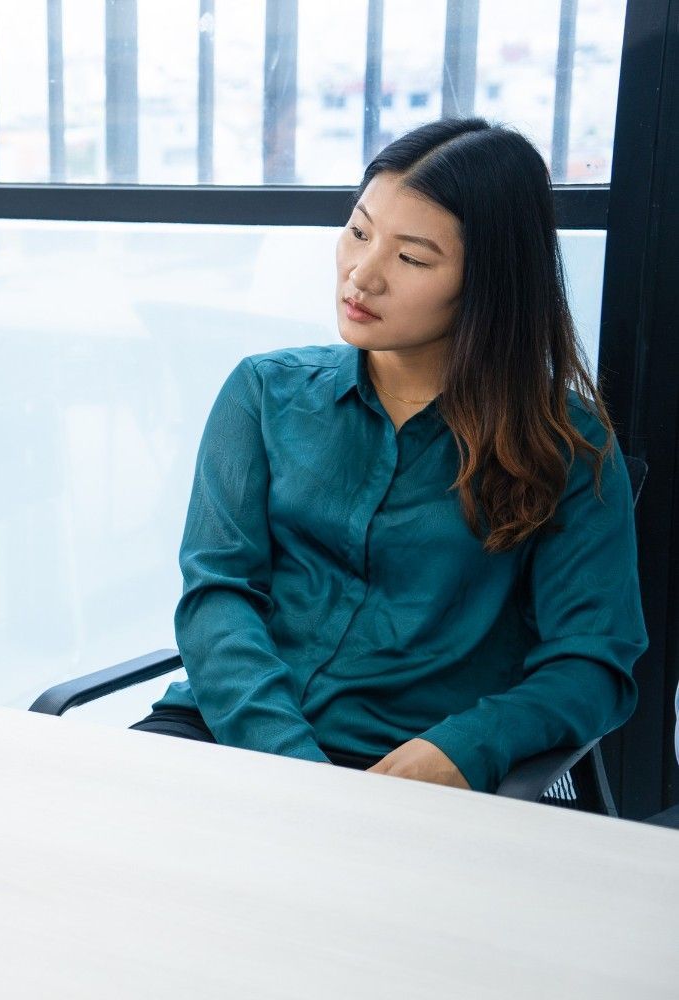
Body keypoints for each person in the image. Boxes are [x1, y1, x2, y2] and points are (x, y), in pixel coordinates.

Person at [133, 118, 646, 792]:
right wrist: (292, 765)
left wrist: (467, 746)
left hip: (402, 772)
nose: (362, 275)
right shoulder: (263, 393)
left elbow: (593, 662)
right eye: (359, 231)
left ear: (487, 282)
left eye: (412, 258)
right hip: (228, 732)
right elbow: (217, 595)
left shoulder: (565, 447)